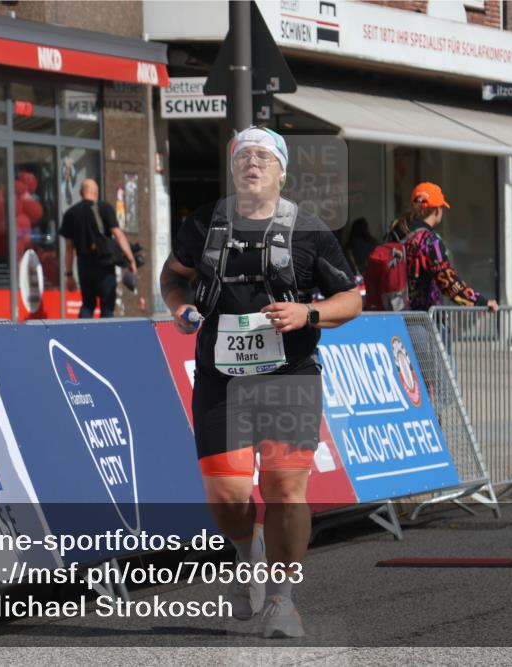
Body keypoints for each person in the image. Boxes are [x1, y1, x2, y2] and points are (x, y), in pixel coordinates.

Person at [160, 126, 361, 638]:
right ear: (232, 168)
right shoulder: (203, 223)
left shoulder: (310, 230)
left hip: (289, 375)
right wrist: (180, 307)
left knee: (287, 488)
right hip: (220, 379)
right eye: (243, 156)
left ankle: (281, 600)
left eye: (263, 157)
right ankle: (248, 559)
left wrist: (308, 313)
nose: (253, 163)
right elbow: (173, 274)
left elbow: (353, 300)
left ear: (281, 170)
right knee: (227, 495)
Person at [388, 181, 498, 313]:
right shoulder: (429, 240)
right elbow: (447, 281)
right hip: (421, 318)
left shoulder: (395, 233)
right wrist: (481, 302)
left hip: (394, 314)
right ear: (436, 209)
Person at [60, 178, 136, 318]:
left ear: (81, 192)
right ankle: (107, 339)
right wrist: (131, 259)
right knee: (107, 307)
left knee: (87, 305)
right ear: (96, 192)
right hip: (105, 265)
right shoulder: (105, 208)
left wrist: (69, 275)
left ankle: (82, 338)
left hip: (83, 265)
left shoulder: (70, 213)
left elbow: (69, 248)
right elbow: (118, 235)